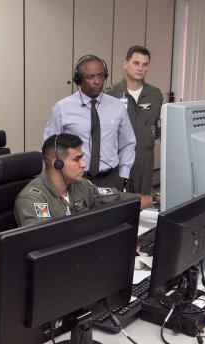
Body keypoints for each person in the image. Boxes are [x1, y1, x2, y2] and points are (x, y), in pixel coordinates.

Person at [15, 133, 152, 227]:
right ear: (57, 163)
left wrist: (154, 200)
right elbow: (43, 241)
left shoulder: (81, 185)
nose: (83, 164)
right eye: (77, 159)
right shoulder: (32, 199)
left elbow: (117, 198)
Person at [44, 54, 136, 190]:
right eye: (90, 77)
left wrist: (123, 174)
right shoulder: (62, 108)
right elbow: (49, 148)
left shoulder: (117, 107)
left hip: (111, 179)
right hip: (75, 180)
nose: (97, 81)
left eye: (101, 75)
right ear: (79, 80)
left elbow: (128, 142)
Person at [107, 45, 163, 194]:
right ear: (126, 64)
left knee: (142, 201)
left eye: (145, 65)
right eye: (136, 63)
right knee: (117, 200)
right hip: (117, 159)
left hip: (145, 159)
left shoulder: (155, 95)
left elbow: (156, 128)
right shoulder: (111, 94)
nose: (140, 68)